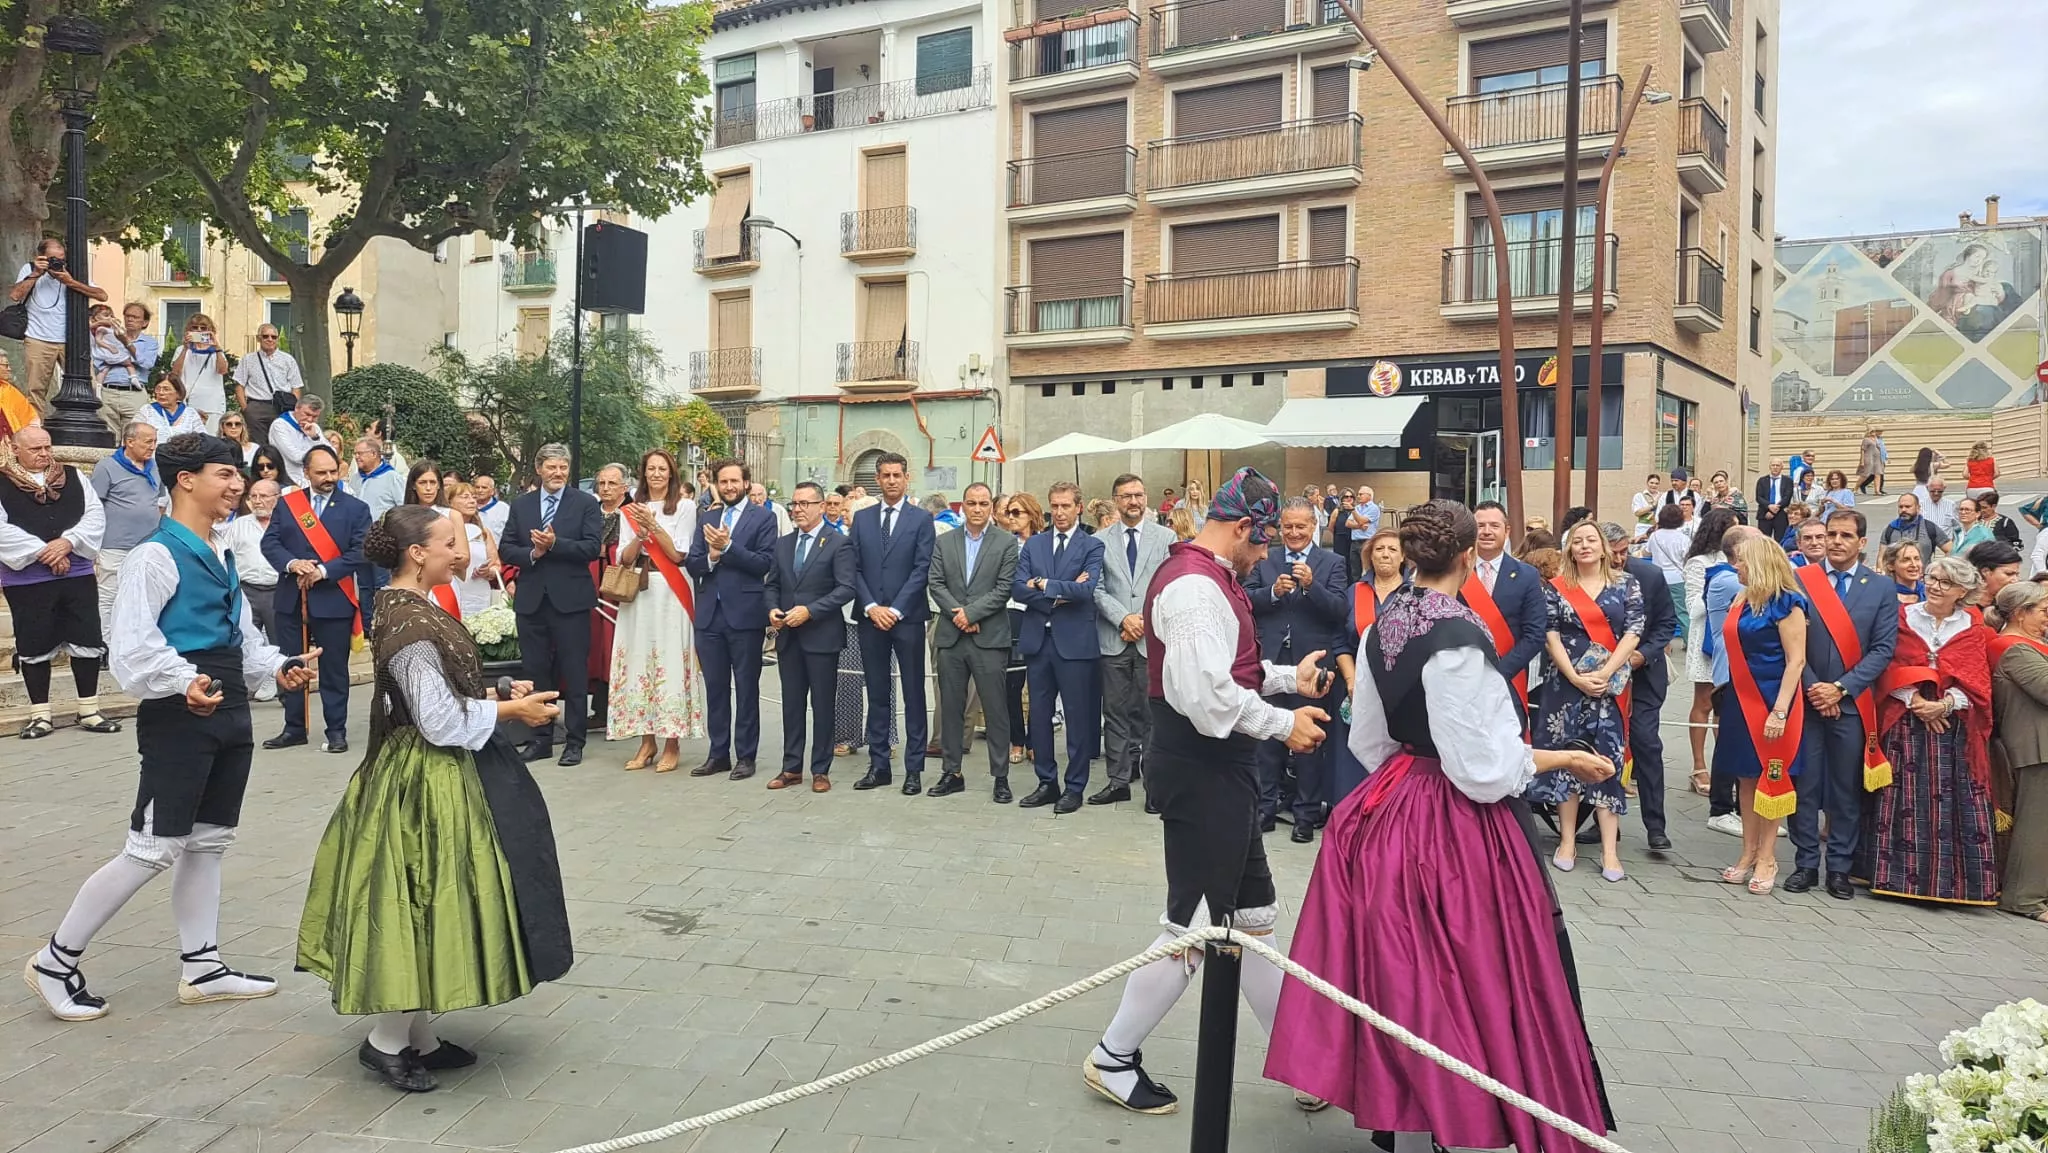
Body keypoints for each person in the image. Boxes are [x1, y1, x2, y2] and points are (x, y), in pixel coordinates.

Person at [1267, 499, 1614, 1150]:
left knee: (1400, 976)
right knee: (1468, 975)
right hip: (1453, 826)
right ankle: (1456, 1120)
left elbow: (1368, 739)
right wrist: (1563, 757)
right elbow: (1483, 769)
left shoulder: (1384, 621)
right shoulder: (1458, 637)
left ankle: (1406, 1118)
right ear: (1467, 556)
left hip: (1390, 803)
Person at [22, 433, 316, 1024]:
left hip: (226, 705)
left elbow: (239, 635)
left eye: (236, 475)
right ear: (185, 480)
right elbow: (132, 647)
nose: (237, 485)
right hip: (181, 713)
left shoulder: (221, 551)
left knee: (209, 840)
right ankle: (55, 960)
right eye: (224, 474)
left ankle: (202, 967)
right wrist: (183, 682)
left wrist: (276, 667)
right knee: (153, 846)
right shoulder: (154, 556)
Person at [1084, 467, 1335, 1116]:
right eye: (1264, 540)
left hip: (1221, 773)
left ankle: (1302, 1060)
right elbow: (1204, 696)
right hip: (1203, 772)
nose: (1265, 555)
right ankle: (1113, 1055)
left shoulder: (1207, 578)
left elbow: (1227, 671)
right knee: (1193, 927)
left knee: (1252, 923)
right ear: (1244, 527)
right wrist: (1283, 723)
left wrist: (1288, 678)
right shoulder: (1196, 587)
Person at [296, 504, 571, 1093]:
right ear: (417, 554)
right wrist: (511, 710)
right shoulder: (408, 621)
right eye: (449, 542)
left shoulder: (409, 605)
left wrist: (497, 690)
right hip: (423, 778)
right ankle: (385, 1042)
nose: (459, 551)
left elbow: (439, 692)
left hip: (433, 769)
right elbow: (438, 719)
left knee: (432, 899)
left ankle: (417, 1036)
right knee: (421, 898)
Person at [1786, 509, 1901, 900]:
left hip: (1852, 706)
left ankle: (1838, 867)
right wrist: (1815, 688)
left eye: (1845, 536)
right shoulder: (1801, 580)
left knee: (1845, 789)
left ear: (1862, 542)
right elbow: (1790, 642)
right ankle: (1805, 863)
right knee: (1805, 785)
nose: (1835, 542)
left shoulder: (1881, 588)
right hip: (1807, 701)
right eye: (1831, 534)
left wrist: (1840, 688)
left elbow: (1882, 649)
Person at [1869, 555, 1997, 905]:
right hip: (1904, 719)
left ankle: (1951, 884)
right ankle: (1894, 877)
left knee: (1954, 795)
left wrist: (1945, 705)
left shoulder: (1971, 628)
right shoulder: (1903, 617)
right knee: (1902, 793)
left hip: (1952, 727)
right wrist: (1915, 700)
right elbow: (1887, 663)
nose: (1935, 587)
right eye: (1932, 578)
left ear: (1963, 591)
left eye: (1946, 582)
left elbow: (1977, 680)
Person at [1531, 521, 1643, 881]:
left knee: (1607, 761)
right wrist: (1575, 676)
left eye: (1591, 540)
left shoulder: (1626, 584)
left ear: (1604, 547)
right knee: (1567, 758)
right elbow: (1550, 633)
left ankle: (1610, 850)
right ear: (1569, 549)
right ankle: (1567, 840)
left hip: (1608, 686)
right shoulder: (1555, 586)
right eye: (1577, 541)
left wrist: (1606, 672)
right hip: (1565, 685)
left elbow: (1633, 632)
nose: (1584, 546)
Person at [1, 424, 121, 739]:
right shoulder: (2, 481)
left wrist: (68, 542)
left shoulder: (73, 476)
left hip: (77, 573)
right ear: (15, 449)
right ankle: (40, 715)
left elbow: (94, 515)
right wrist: (44, 551)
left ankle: (89, 709)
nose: (44, 454)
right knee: (34, 640)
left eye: (47, 447)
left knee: (86, 637)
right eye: (35, 449)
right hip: (27, 579)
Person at [1246, 498, 1350, 840]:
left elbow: (1339, 610)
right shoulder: (1266, 558)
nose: (1293, 533)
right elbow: (1246, 601)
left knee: (1309, 742)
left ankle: (1306, 815)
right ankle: (1265, 808)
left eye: (1300, 526)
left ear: (1313, 526)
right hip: (1271, 660)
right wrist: (1273, 593)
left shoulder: (1332, 562)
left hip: (1313, 663)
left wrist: (1311, 587)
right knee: (1266, 738)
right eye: (1288, 526)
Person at [495, 445, 604, 766]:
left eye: (563, 467)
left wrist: (556, 544)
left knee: (574, 670)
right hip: (532, 601)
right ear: (539, 469)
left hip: (571, 601)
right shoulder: (522, 504)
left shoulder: (585, 503)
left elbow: (591, 547)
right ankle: (540, 739)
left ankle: (575, 742)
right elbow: (506, 548)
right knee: (535, 672)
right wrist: (533, 553)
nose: (558, 473)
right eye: (552, 467)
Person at [261, 443, 368, 754]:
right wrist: (292, 563)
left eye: (333, 472)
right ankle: (294, 727)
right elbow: (270, 543)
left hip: (334, 600)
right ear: (306, 472)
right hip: (291, 599)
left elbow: (360, 551)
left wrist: (323, 571)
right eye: (321, 472)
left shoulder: (355, 509)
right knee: (292, 665)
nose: (328, 478)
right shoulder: (288, 505)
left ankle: (336, 731)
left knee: (334, 669)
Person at [610, 450, 704, 774]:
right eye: (651, 468)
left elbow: (678, 554)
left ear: (671, 473)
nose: (657, 474)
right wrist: (640, 535)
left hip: (671, 589)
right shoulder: (630, 509)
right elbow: (624, 558)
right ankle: (646, 740)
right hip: (640, 590)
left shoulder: (685, 507)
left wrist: (654, 527)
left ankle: (672, 742)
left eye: (662, 468)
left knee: (669, 660)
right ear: (644, 473)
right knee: (638, 661)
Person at [848, 453, 937, 793]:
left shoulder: (921, 519)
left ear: (906, 477)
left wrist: (896, 609)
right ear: (877, 479)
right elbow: (854, 567)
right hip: (871, 618)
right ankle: (879, 765)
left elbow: (922, 568)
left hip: (907, 618)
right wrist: (872, 606)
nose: (891, 481)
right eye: (885, 475)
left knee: (913, 694)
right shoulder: (863, 519)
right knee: (877, 693)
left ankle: (913, 769)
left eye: (897, 475)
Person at [685, 457, 777, 780]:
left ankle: (746, 756)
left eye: (734, 481)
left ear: (746, 483)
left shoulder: (763, 518)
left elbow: (764, 563)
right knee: (715, 689)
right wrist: (711, 557)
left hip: (745, 616)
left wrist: (728, 547)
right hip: (709, 616)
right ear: (716, 485)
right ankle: (718, 754)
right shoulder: (707, 517)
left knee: (747, 689)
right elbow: (693, 563)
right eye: (723, 482)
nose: (729, 487)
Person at [1014, 481, 1103, 813]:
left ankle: (1074, 786)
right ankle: (1046, 782)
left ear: (1078, 507)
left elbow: (1086, 590)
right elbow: (1018, 589)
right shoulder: (1035, 544)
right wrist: (1059, 592)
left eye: (1066, 506)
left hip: (1075, 643)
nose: (1060, 512)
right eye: (1055, 506)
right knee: (1039, 716)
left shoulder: (1091, 545)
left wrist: (1042, 584)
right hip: (1039, 641)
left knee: (1077, 718)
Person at [763, 480, 857, 791]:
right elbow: (772, 584)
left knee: (822, 705)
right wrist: (772, 609)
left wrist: (811, 611)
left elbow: (846, 588)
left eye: (805, 504)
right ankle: (791, 767)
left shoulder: (837, 543)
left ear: (821, 506)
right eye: (795, 504)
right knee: (791, 704)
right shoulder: (784, 543)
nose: (798, 509)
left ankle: (820, 770)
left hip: (821, 636)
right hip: (789, 637)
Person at [923, 482, 1014, 801]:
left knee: (995, 708)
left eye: (983, 503)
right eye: (972, 503)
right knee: (951, 707)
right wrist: (958, 615)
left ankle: (1000, 776)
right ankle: (952, 772)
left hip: (989, 637)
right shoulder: (944, 542)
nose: (977, 509)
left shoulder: (1006, 542)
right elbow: (935, 583)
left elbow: (1004, 588)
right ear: (962, 506)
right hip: (952, 637)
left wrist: (972, 614)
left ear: (991, 508)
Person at [1091, 474, 1176, 807]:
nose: (1133, 501)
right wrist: (1123, 619)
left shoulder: (1165, 538)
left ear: (1146, 497)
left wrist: (1141, 620)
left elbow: (1169, 585)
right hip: (1113, 637)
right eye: (1126, 496)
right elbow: (1096, 588)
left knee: (1153, 714)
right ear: (1115, 500)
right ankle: (1118, 780)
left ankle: (1154, 786)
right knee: (1114, 713)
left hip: (1150, 637)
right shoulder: (1099, 540)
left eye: (1138, 495)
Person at [1606, 522, 1678, 851]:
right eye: (1613, 553)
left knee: (1646, 743)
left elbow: (1666, 624)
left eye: (1624, 551)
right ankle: (1602, 819)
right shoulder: (1585, 577)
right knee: (1602, 746)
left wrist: (1643, 654)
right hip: (1601, 677)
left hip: (1643, 677)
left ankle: (1655, 826)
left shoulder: (1649, 576)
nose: (1620, 559)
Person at [1329, 525, 1413, 804]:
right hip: (1356, 688)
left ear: (1403, 557)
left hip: (1401, 692)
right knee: (1351, 761)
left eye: (1392, 549)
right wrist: (1351, 680)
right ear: (1370, 555)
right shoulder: (1354, 592)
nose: (1385, 554)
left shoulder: (1414, 594)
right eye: (1379, 549)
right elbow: (1339, 641)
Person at [1989, 580, 2048, 925]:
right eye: (2042, 611)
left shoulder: (2031, 647)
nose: (2046, 618)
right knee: (2036, 824)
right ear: (2019, 613)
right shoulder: (2012, 649)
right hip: (2034, 745)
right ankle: (2024, 898)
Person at [1700, 525, 1759, 834]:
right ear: (1739, 551)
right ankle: (1720, 808)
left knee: (1746, 744)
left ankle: (1741, 808)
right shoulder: (1726, 579)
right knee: (1729, 743)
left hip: (1750, 673)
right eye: (1758, 543)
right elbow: (1774, 585)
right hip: (1730, 675)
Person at [9, 238, 109, 410]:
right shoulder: (30, 269)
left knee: (88, 387)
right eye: (52, 259)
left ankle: (85, 422)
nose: (57, 263)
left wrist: (70, 282)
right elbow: (15, 295)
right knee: (35, 391)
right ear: (41, 257)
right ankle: (37, 426)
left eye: (61, 259)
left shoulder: (73, 272)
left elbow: (102, 296)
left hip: (72, 341)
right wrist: (36, 274)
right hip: (38, 338)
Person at [1681, 507, 1742, 780]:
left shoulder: (1741, 559)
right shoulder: (1699, 562)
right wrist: (1719, 591)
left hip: (1735, 635)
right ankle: (1698, 765)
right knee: (1705, 702)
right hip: (1707, 635)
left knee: (1727, 704)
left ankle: (1725, 764)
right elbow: (1692, 606)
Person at [88, 421, 163, 634]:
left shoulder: (154, 467)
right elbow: (94, 506)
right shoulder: (107, 466)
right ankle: (106, 641)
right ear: (130, 442)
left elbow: (160, 501)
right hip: (115, 545)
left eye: (154, 442)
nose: (152, 446)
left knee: (144, 595)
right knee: (110, 594)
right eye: (148, 442)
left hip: (148, 545)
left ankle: (135, 639)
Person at [998, 492, 1044, 767]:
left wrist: (1034, 585)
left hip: (1038, 614)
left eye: (1017, 512)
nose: (1011, 517)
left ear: (1031, 514)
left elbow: (1049, 580)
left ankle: (1035, 740)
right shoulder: (1005, 544)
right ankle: (1016, 739)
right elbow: (1005, 582)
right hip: (1010, 613)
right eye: (1009, 512)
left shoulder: (1045, 543)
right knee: (1012, 684)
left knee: (1038, 682)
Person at [221, 478, 282, 662]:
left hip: (278, 591)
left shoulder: (287, 524)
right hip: (247, 591)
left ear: (277, 498)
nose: (257, 501)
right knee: (245, 643)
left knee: (281, 643)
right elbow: (226, 557)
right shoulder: (238, 525)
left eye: (263, 496)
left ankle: (283, 678)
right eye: (253, 496)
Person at [587, 464, 629, 727]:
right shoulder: (591, 512)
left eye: (612, 483)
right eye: (602, 483)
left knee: (618, 647)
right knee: (596, 648)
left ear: (624, 486)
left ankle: (623, 710)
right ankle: (600, 709)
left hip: (621, 589)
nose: (606, 488)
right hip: (592, 586)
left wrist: (608, 552)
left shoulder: (632, 512)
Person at [231, 323, 302, 446]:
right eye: (265, 336)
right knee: (256, 445)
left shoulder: (288, 360)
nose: (270, 339)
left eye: (273, 337)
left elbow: (296, 386)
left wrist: (292, 407)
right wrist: (246, 409)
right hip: (256, 407)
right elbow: (239, 385)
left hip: (281, 407)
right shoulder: (248, 359)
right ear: (259, 338)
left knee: (282, 444)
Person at [94, 302, 160, 431]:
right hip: (108, 392)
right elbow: (98, 360)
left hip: (134, 394)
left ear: (145, 322)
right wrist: (122, 360)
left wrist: (126, 343)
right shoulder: (109, 336)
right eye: (127, 316)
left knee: (135, 435)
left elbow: (147, 363)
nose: (130, 319)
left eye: (135, 317)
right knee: (107, 436)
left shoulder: (150, 342)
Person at [443, 481, 501, 617]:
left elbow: (496, 564)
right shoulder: (444, 530)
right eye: (465, 497)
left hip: (479, 594)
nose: (472, 501)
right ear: (450, 502)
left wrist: (489, 572)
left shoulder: (483, 532)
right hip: (450, 590)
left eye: (474, 497)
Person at [168, 313, 230, 433]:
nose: (199, 330)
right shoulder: (181, 350)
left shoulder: (216, 352)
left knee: (210, 438)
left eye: (203, 328)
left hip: (212, 404)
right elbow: (175, 373)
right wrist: (185, 348)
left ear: (210, 331)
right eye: (195, 328)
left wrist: (217, 346)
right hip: (187, 402)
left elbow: (222, 370)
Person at [269, 393, 329, 489]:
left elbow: (332, 453)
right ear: (297, 408)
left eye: (315, 416)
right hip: (289, 481)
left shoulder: (314, 427)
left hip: (314, 480)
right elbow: (296, 457)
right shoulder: (280, 425)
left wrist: (315, 438)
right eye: (307, 414)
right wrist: (320, 455)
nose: (310, 419)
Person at [1646, 504, 1691, 628]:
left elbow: (1647, 552)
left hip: (1657, 578)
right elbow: (1688, 559)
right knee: (1682, 613)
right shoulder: (1683, 538)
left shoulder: (1654, 536)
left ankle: (1662, 640)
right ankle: (1688, 640)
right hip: (1677, 578)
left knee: (1659, 614)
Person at [1881, 492, 1949, 562]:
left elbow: (1950, 550)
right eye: (1901, 507)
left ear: (1918, 508)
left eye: (1908, 506)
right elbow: (1881, 558)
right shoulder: (1890, 529)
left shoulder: (1930, 528)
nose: (1903, 510)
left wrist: (1942, 567)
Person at [139, 375, 205, 442]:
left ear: (178, 393)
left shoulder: (190, 413)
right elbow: (135, 435)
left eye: (166, 389)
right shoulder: (147, 410)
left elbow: (203, 438)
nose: (161, 393)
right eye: (158, 389)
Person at [1756, 459, 1793, 542]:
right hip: (1765, 514)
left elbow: (1787, 497)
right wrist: (1769, 506)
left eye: (1778, 465)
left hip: (1781, 514)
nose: (1775, 467)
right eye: (1773, 465)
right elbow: (1759, 497)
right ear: (1770, 467)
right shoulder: (1762, 480)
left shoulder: (1788, 481)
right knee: (1764, 541)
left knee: (1780, 540)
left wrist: (1774, 510)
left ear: (1782, 467)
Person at [1884, 539, 1927, 605]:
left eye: (1917, 559)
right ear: (1890, 566)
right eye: (1906, 560)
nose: (1914, 565)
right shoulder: (1884, 597)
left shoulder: (1931, 593)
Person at [472, 474, 511, 540]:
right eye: (477, 487)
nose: (480, 490)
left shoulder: (503, 509)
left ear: (492, 491)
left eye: (484, 487)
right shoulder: (467, 506)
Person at [1631, 472, 1663, 539]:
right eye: (1651, 483)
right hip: (1643, 527)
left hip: (1658, 528)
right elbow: (1637, 512)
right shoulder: (1639, 496)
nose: (1654, 485)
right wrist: (1653, 505)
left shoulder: (1662, 496)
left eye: (1656, 483)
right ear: (1647, 483)